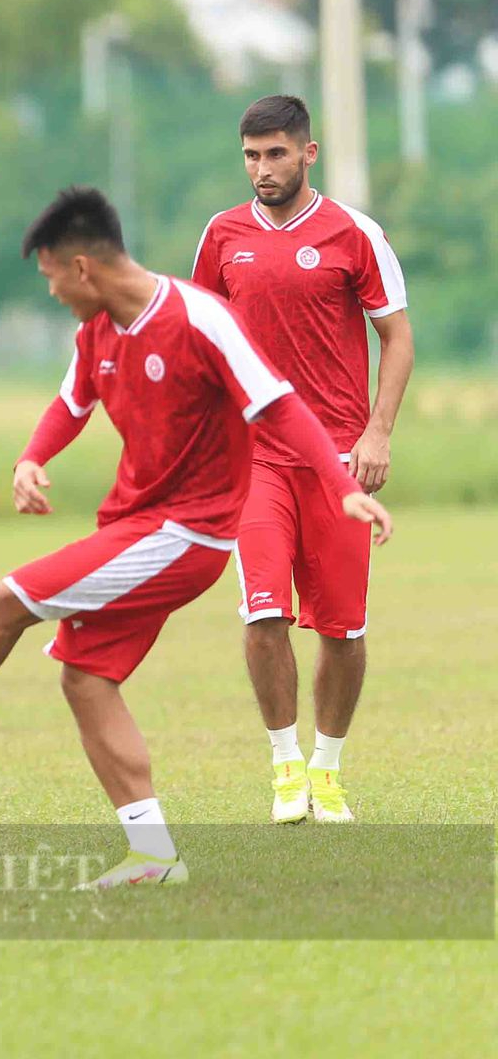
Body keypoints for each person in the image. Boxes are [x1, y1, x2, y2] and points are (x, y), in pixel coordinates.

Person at [0, 187, 391, 889]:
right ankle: (152, 856)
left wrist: (344, 488)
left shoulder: (199, 319)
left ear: (81, 267)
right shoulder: (97, 331)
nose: (52, 292)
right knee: (85, 679)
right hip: (135, 525)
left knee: (11, 597)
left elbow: (280, 407)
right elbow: (71, 402)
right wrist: (33, 458)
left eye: (52, 277)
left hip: (189, 533)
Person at [191, 95, 412, 824]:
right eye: (251, 155)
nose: (262, 169)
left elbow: (398, 339)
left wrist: (377, 435)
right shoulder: (222, 236)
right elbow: (201, 339)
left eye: (276, 154)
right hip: (251, 459)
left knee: (344, 630)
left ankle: (327, 769)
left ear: (307, 153)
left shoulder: (356, 234)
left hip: (338, 462)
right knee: (262, 615)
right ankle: (284, 764)